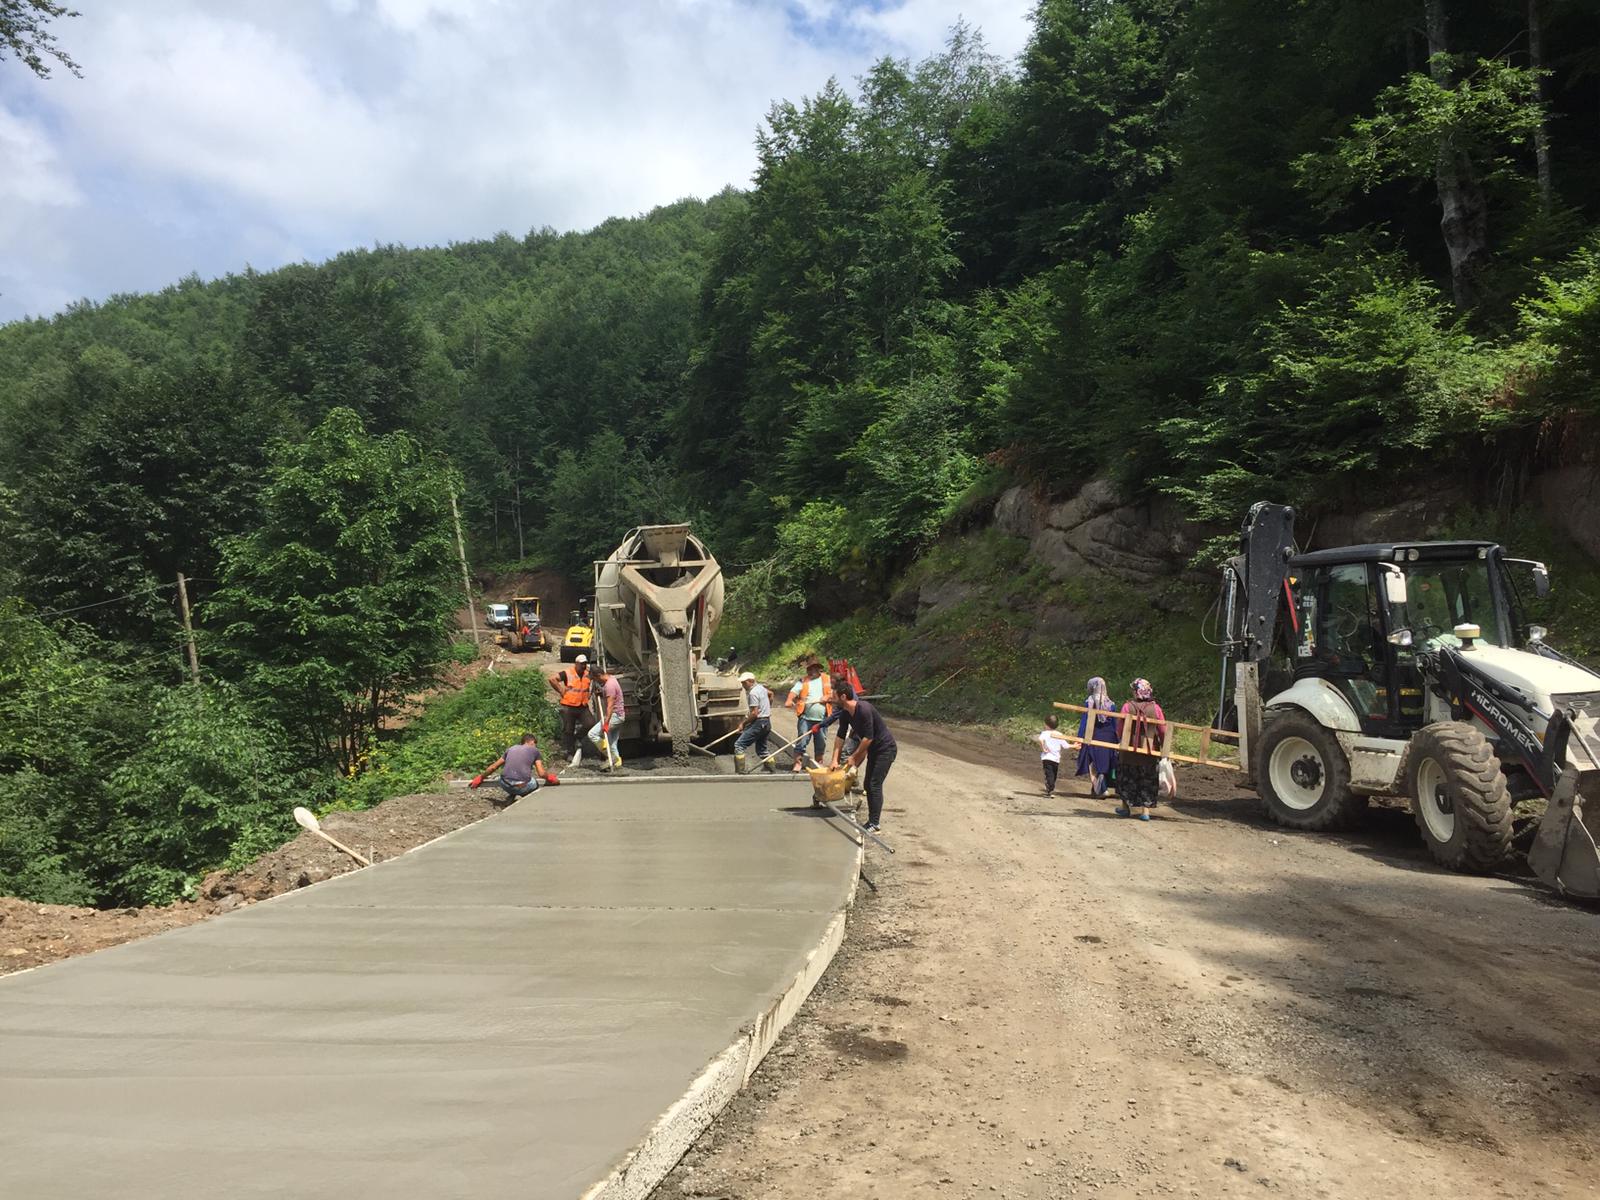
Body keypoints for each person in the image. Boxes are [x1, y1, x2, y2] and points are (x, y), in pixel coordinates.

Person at [827, 681, 897, 833]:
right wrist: (834, 759)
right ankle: (872, 821)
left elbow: (868, 738)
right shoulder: (845, 713)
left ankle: (874, 823)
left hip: (885, 749)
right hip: (874, 750)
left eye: (834, 697)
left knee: (874, 784)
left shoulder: (864, 709)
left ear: (843, 697)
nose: (831, 699)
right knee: (868, 784)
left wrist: (854, 757)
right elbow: (840, 737)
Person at [1115, 678, 1168, 822]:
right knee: (1147, 779)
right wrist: (1164, 747)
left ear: (1137, 691)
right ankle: (1145, 811)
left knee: (1127, 777)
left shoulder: (1127, 707)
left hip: (1129, 750)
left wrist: (1121, 740)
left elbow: (1120, 728)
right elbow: (1163, 730)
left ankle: (1125, 807)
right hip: (1149, 751)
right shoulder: (1155, 708)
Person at [470, 733, 553, 805]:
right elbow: (541, 774)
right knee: (534, 783)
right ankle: (523, 798)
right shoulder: (535, 751)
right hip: (522, 786)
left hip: (505, 784)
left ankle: (513, 795)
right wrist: (550, 778)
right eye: (535, 744)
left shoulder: (511, 748)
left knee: (506, 778)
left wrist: (480, 777)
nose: (535, 746)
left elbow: (493, 767)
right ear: (531, 742)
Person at [786, 659, 834, 773]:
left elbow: (835, 692)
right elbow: (794, 692)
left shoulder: (827, 679)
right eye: (809, 669)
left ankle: (818, 763)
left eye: (813, 669)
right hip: (805, 718)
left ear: (818, 669)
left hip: (822, 718)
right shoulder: (803, 681)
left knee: (821, 742)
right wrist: (789, 700)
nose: (811, 671)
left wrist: (828, 697)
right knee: (802, 740)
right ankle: (798, 763)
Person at [1075, 676, 1119, 798]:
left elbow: (1085, 721)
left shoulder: (1089, 702)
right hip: (1109, 735)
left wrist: (1079, 737)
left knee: (1092, 762)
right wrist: (1117, 739)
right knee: (1105, 761)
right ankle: (1100, 787)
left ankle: (1100, 788)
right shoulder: (1111, 704)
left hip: (1093, 734)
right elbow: (1115, 723)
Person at [548, 655, 593, 766]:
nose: (583, 665)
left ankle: (578, 737)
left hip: (582, 706)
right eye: (581, 663)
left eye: (585, 663)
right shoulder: (568, 673)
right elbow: (552, 679)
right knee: (568, 730)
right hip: (568, 706)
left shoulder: (588, 674)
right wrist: (561, 690)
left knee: (590, 723)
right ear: (576, 663)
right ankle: (570, 753)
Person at [587, 666, 625, 769]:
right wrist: (601, 693)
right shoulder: (611, 679)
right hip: (619, 715)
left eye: (595, 679)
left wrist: (606, 723)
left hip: (615, 716)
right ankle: (617, 764)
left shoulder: (610, 686)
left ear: (598, 675)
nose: (596, 681)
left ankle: (611, 757)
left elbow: (610, 706)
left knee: (592, 734)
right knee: (612, 743)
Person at [734, 671, 773, 768]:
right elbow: (771, 693)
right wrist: (767, 707)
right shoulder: (761, 688)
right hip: (767, 722)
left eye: (744, 682)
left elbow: (754, 713)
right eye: (742, 683)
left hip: (759, 722)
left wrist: (743, 723)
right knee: (762, 750)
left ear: (751, 681)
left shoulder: (753, 693)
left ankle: (740, 771)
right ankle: (772, 769)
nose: (743, 685)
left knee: (739, 745)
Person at [1037, 714, 1073, 798]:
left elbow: (1040, 739)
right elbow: (1066, 745)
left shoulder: (1045, 733)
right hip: (1055, 759)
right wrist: (1074, 746)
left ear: (1045, 724)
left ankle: (1050, 789)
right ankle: (1050, 789)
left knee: (1049, 774)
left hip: (1047, 757)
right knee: (1053, 774)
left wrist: (1043, 748)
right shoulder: (1059, 734)